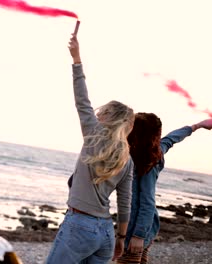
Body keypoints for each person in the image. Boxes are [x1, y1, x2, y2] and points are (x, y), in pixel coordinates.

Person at [45, 34, 135, 263]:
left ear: (107, 117)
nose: (96, 113)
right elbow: (125, 202)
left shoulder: (93, 134)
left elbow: (81, 99)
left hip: (79, 226)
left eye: (101, 112)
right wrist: (121, 238)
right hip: (105, 231)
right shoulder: (128, 158)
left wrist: (76, 59)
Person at [116, 113, 212, 264]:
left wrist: (138, 236)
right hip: (145, 227)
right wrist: (197, 126)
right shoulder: (156, 151)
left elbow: (147, 201)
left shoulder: (146, 161)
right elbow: (171, 139)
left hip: (135, 230)